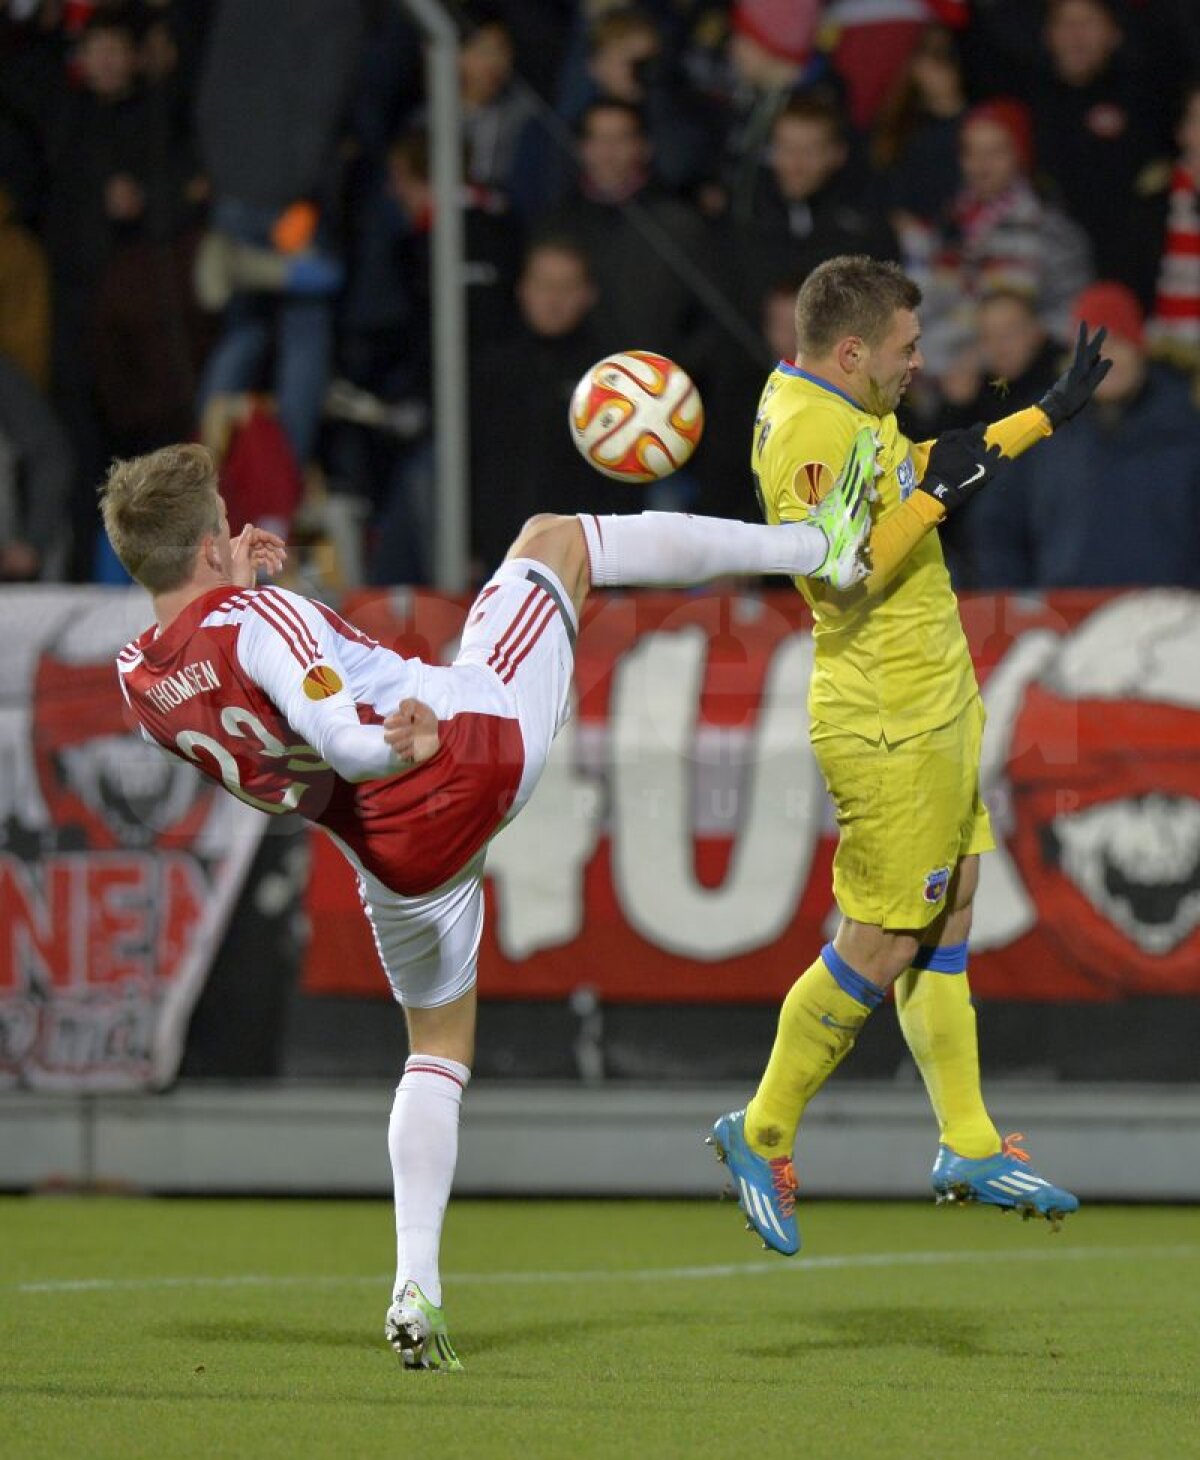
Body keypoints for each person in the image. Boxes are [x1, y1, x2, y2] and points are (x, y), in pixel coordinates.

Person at [101, 441, 873, 1370]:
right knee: (560, 540)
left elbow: (250, 687)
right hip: (467, 746)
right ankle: (816, 547)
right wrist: (391, 742)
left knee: (436, 1050)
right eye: (225, 523)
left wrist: (257, 593)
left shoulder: (137, 678)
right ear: (208, 551)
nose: (237, 531)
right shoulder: (258, 616)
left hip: (395, 859)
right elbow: (338, 730)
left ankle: (414, 1284)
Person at [709, 254, 1111, 1256]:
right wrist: (940, 496)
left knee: (952, 902)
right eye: (905, 348)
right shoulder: (807, 431)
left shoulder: (832, 400)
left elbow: (913, 468)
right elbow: (836, 576)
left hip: (931, 695)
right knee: (883, 937)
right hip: (886, 713)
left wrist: (1040, 417)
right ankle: (760, 1129)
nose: (918, 362)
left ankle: (967, 1139)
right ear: (852, 352)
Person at [961, 281, 1200, 590]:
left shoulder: (1186, 427)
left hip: (1168, 620)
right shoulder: (1040, 429)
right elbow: (995, 525)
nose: (1104, 359)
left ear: (1139, 347)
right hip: (1067, 622)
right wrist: (1021, 604)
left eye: (1116, 342)